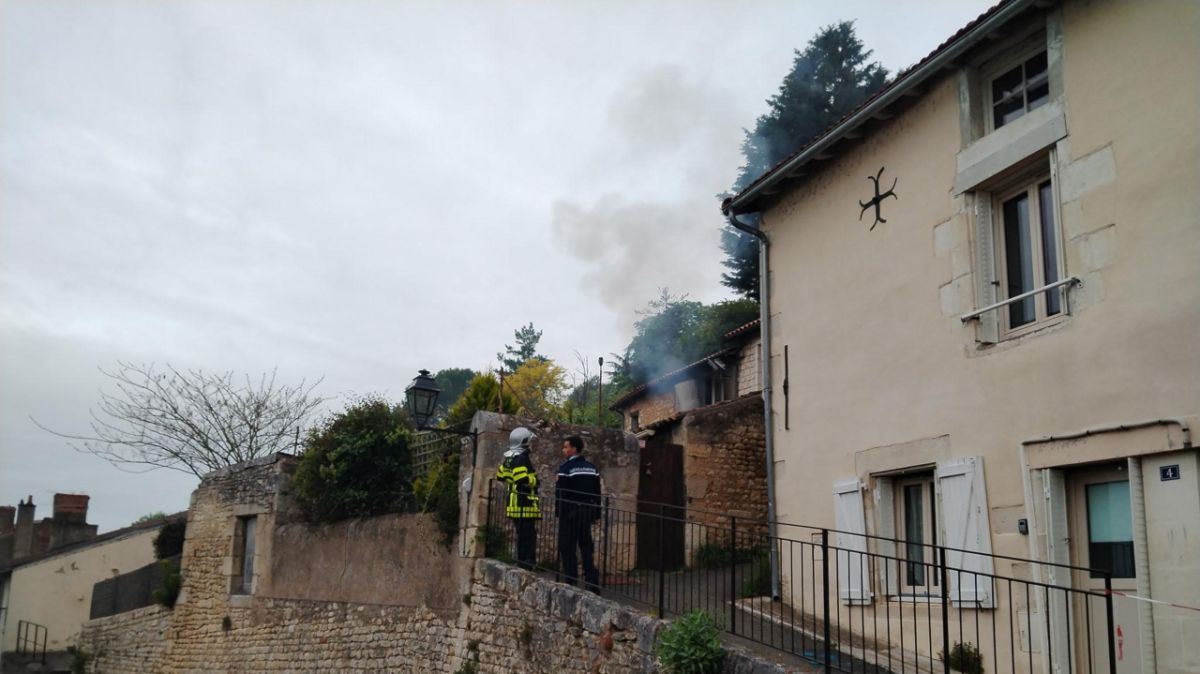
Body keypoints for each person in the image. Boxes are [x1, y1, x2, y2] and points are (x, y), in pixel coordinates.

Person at [555, 435, 601, 592]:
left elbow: (560, 494)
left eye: (566, 447)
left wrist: (559, 513)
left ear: (574, 449)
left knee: (567, 546)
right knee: (586, 546)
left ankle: (571, 578)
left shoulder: (565, 469)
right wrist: (596, 514)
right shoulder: (592, 468)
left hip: (570, 513)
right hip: (587, 512)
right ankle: (592, 581)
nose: (563, 450)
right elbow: (597, 493)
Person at [497, 427, 541, 570]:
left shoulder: (509, 457)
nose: (531, 443)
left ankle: (523, 561)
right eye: (529, 440)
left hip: (514, 502)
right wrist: (534, 480)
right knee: (528, 535)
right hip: (524, 503)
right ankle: (526, 562)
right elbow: (521, 478)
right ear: (524, 441)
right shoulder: (522, 458)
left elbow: (500, 476)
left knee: (522, 534)